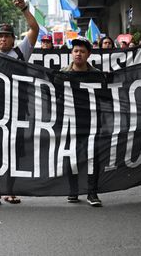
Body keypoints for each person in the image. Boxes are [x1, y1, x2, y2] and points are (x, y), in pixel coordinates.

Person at [0, 0, 39, 207]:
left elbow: (34, 28)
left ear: (13, 39)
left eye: (6, 36)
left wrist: (24, 9)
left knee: (13, 151)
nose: (2, 39)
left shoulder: (21, 52)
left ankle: (10, 191)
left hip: (17, 112)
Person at [60, 37, 102, 207]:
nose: (78, 54)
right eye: (76, 51)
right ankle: (73, 190)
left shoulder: (97, 75)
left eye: (82, 51)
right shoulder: (62, 74)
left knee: (93, 157)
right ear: (71, 53)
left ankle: (92, 192)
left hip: (92, 122)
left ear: (88, 54)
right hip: (69, 122)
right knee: (71, 157)